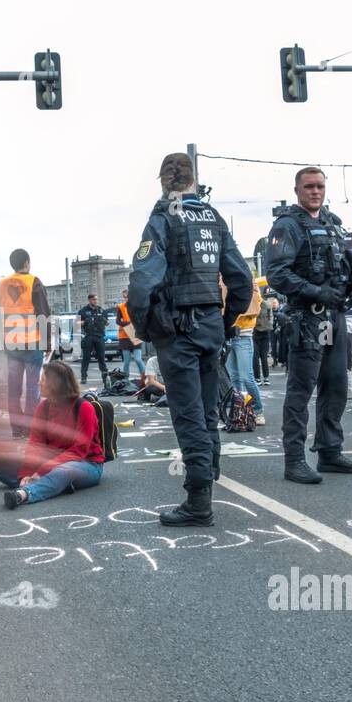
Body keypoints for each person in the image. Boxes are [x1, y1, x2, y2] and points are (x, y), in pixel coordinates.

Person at [127, 152, 252, 524]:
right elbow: (241, 279)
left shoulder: (162, 219)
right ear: (194, 179)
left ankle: (199, 501)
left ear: (164, 180)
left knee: (189, 415)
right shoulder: (212, 218)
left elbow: (142, 282)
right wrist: (225, 321)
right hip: (210, 325)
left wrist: (146, 326)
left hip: (177, 328)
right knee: (208, 409)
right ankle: (209, 472)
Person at [264, 167, 352, 485]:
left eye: (320, 186)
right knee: (300, 390)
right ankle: (294, 460)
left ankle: (329, 451)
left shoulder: (332, 224)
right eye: (309, 186)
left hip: (335, 316)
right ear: (297, 189)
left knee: (336, 385)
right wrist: (316, 291)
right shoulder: (287, 225)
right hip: (307, 317)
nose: (315, 191)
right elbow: (277, 273)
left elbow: (346, 264)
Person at [0, 361, 104, 508]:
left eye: (43, 379)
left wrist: (40, 471)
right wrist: (27, 473)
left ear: (55, 384)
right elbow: (35, 444)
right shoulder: (43, 408)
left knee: (65, 470)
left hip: (86, 463)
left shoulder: (84, 408)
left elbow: (79, 451)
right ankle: (54, 484)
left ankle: (24, 494)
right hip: (50, 460)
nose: (39, 383)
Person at [0, 248, 51, 438]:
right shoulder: (34, 282)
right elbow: (43, 314)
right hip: (31, 342)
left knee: (13, 388)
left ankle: (16, 429)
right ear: (27, 262)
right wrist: (47, 344)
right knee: (32, 387)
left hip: (11, 343)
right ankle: (30, 428)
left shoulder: (2, 284)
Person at [224, 282, 265, 426]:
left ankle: (258, 410)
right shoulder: (225, 281)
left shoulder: (248, 282)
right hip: (229, 334)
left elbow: (257, 304)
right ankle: (242, 411)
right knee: (235, 377)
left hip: (243, 333)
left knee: (246, 376)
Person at [76, 292, 108, 386]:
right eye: (94, 299)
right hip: (89, 336)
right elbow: (77, 323)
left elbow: (107, 323)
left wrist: (104, 320)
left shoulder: (101, 310)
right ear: (89, 300)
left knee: (101, 357)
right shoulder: (83, 311)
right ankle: (83, 377)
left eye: (96, 299)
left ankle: (105, 377)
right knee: (86, 357)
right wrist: (85, 321)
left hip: (99, 336)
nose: (96, 301)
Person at [116, 287, 145, 384]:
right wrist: (126, 324)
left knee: (138, 359)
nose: (126, 298)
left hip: (135, 334)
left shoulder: (137, 307)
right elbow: (117, 321)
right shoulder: (120, 307)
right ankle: (125, 380)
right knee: (127, 361)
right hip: (124, 336)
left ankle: (146, 377)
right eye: (124, 297)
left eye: (127, 296)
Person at [253, 291, 274, 386]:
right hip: (266, 332)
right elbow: (271, 318)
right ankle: (266, 378)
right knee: (264, 357)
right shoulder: (268, 304)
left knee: (255, 357)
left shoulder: (254, 303)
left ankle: (257, 378)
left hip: (255, 332)